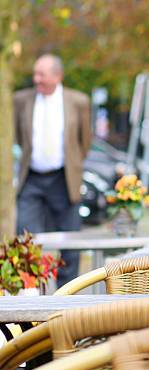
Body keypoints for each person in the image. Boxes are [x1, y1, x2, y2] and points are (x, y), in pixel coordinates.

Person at [14, 54, 92, 288]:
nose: (36, 79)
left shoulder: (78, 101)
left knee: (70, 241)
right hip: (32, 178)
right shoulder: (21, 100)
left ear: (58, 76)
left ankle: (67, 295)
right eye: (35, 73)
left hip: (63, 178)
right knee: (26, 239)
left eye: (42, 74)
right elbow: (19, 137)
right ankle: (29, 295)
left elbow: (84, 141)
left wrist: (73, 164)